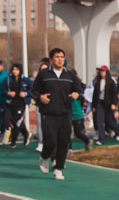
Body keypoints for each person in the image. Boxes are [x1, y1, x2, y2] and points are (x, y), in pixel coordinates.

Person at [32, 48, 84, 181]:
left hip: (65, 113)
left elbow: (79, 89)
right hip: (48, 113)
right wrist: (41, 97)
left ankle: (58, 169)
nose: (60, 59)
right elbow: (34, 91)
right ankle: (44, 157)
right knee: (50, 141)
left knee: (64, 142)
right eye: (57, 57)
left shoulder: (70, 75)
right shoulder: (44, 74)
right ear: (51, 60)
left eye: (62, 57)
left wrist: (76, 94)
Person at [5, 63, 33, 146]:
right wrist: (9, 93)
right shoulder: (8, 80)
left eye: (17, 70)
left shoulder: (26, 80)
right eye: (13, 69)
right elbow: (3, 90)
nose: (14, 71)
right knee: (8, 120)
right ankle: (26, 133)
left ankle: (13, 141)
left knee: (16, 122)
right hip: (10, 103)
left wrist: (25, 93)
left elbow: (33, 90)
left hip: (21, 104)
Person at [91, 65, 118, 142]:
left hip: (108, 103)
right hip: (99, 102)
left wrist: (114, 103)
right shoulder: (97, 81)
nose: (102, 72)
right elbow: (95, 94)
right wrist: (94, 105)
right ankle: (101, 138)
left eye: (104, 71)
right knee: (99, 120)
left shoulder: (111, 81)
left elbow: (114, 93)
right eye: (101, 71)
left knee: (109, 120)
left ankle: (118, 132)